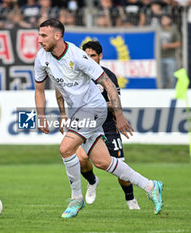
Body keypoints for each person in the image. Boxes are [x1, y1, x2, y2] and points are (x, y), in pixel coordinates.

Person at [34, 18, 163, 218]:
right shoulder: (42, 58)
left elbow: (108, 84)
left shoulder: (78, 56)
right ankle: (150, 185)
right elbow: (39, 90)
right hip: (78, 111)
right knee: (103, 162)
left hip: (95, 108)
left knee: (66, 148)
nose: (39, 39)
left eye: (43, 35)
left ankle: (76, 199)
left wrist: (118, 115)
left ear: (57, 36)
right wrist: (41, 115)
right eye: (39, 34)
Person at [55, 40, 140, 210]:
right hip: (85, 124)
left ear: (100, 56)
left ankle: (131, 200)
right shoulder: (76, 73)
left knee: (119, 166)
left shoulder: (107, 76)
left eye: (93, 55)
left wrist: (99, 105)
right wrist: (63, 114)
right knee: (80, 158)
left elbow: (115, 102)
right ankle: (92, 181)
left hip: (108, 125)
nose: (90, 59)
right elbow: (59, 91)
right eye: (87, 55)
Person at [160, 14, 181, 88]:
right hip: (159, 57)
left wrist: (168, 45)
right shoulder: (158, 30)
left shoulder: (173, 30)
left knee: (171, 77)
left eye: (165, 19)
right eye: (162, 19)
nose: (164, 21)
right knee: (161, 78)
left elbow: (179, 43)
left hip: (170, 57)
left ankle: (172, 94)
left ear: (169, 20)